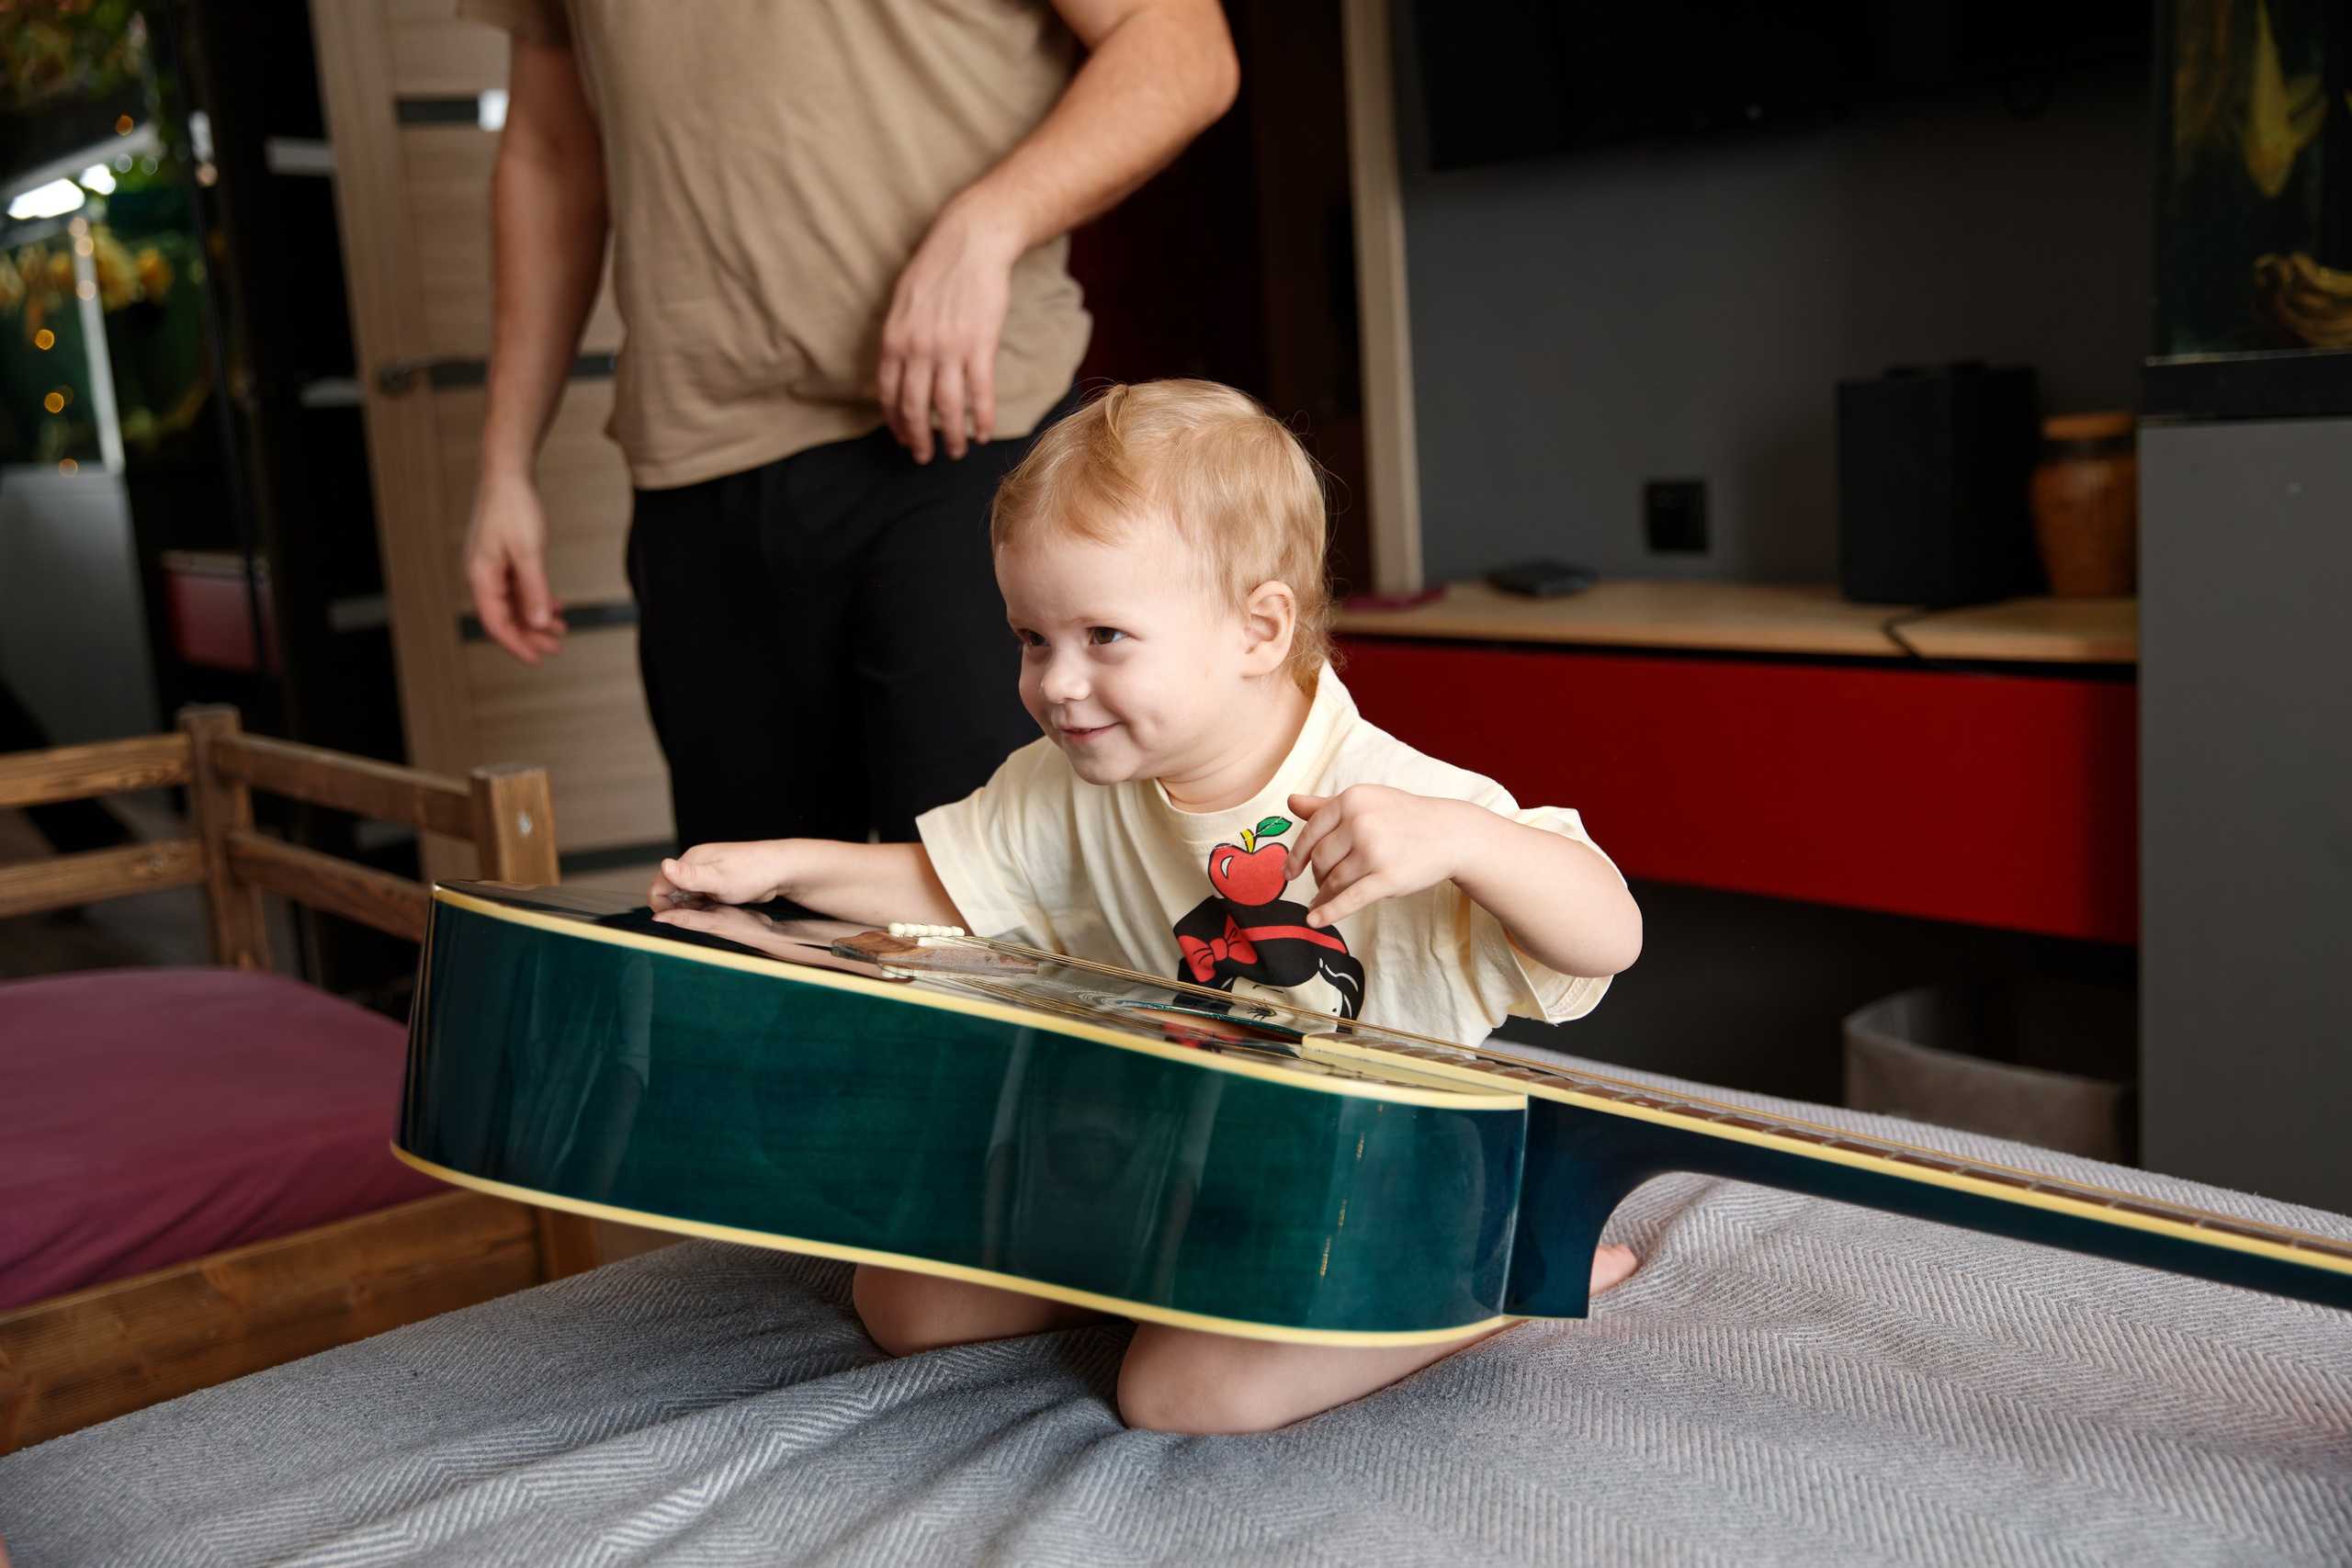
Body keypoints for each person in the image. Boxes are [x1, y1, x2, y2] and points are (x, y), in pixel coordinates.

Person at [650, 380, 1645, 1434]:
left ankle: (1484, 1283)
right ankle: (1168, 1272)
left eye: (1104, 637)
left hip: (1376, 1187)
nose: (1057, 684)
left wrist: (1471, 841)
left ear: (1259, 629)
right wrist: (781, 867)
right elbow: (956, 888)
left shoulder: (1399, 798)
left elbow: (1609, 935)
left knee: (1179, 1393)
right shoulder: (1065, 778)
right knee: (906, 1303)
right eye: (1033, 639)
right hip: (1173, 1161)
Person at [458, 0, 1238, 847]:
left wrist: (990, 222)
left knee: (989, 921)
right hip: (696, 465)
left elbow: (1183, 46)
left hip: (969, 446)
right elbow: (553, 152)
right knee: (753, 924)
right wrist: (505, 463)